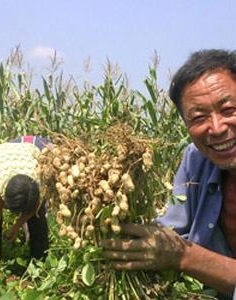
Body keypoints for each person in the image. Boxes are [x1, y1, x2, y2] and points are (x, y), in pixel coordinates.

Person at [101, 49, 236, 299]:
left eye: (228, 110)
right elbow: (173, 227)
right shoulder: (196, 159)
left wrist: (185, 257)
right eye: (199, 117)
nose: (217, 128)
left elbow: (179, 250)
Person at [0, 136, 50, 261]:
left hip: (28, 152)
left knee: (39, 219)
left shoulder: (40, 183)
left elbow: (35, 207)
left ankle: (40, 260)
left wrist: (17, 225)